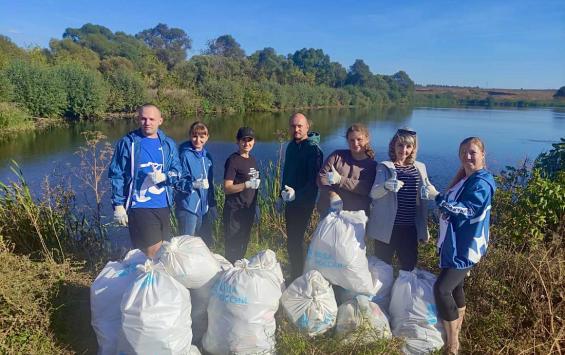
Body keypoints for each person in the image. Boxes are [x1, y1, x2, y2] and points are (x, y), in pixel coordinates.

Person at [432, 137, 496, 354]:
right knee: (456, 287)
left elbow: (467, 209)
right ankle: (456, 329)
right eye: (464, 153)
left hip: (466, 248)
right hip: (455, 244)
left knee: (442, 290)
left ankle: (453, 344)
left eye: (473, 152)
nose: (468, 157)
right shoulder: (465, 178)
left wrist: (438, 198)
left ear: (482, 154)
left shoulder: (482, 182)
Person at [108, 103, 181, 258]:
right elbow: (117, 174)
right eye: (143, 119)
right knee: (153, 252)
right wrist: (118, 205)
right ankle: (150, 280)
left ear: (160, 120)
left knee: (163, 251)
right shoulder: (128, 143)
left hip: (164, 205)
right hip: (139, 205)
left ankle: (148, 280)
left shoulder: (168, 144)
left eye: (152, 119)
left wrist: (166, 176)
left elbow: (178, 171)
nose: (147, 123)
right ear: (138, 119)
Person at [366, 128, 438, 271]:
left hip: (409, 229)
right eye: (400, 145)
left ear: (413, 148)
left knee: (409, 267)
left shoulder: (420, 167)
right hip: (387, 228)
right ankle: (382, 293)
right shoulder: (384, 166)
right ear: (393, 145)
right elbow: (373, 193)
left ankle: (403, 293)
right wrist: (385, 186)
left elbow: (430, 190)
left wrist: (440, 198)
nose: (404, 150)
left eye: (408, 146)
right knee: (381, 268)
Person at [279, 113, 323, 282]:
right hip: (289, 200)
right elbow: (287, 173)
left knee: (296, 239)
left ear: (307, 127)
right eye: (293, 126)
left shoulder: (313, 150)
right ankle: (296, 270)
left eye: (299, 126)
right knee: (292, 239)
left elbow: (314, 182)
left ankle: (298, 275)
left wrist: (298, 194)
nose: (296, 129)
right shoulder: (291, 146)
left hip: (304, 202)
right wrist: (280, 195)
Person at [317, 123, 377, 216]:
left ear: (367, 139)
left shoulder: (372, 165)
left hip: (355, 216)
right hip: (330, 212)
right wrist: (332, 194)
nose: (355, 143)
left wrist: (340, 180)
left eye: (359, 139)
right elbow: (321, 176)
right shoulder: (337, 156)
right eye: (351, 140)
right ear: (347, 141)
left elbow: (366, 188)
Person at [175, 121, 217, 247]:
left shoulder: (207, 156)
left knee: (205, 243)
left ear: (207, 137)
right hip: (188, 206)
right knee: (187, 244)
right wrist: (193, 184)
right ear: (189, 136)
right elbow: (176, 182)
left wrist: (213, 203)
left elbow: (210, 183)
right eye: (194, 136)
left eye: (202, 136)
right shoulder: (184, 155)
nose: (198, 140)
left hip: (204, 207)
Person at [222, 127, 260, 263]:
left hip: (248, 210)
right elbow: (227, 188)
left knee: (244, 243)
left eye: (250, 140)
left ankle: (239, 275)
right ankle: (229, 276)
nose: (247, 143)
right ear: (237, 142)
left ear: (254, 141)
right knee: (233, 247)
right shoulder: (233, 160)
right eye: (243, 140)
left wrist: (256, 207)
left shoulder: (253, 160)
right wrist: (246, 185)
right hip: (234, 211)